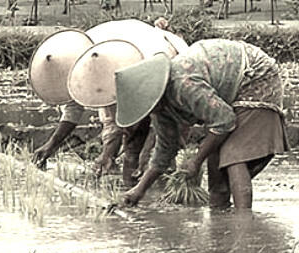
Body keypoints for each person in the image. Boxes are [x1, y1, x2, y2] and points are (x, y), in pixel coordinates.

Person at [111, 38, 289, 209]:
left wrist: (196, 161)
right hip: (230, 97)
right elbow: (165, 150)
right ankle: (220, 219)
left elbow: (224, 121)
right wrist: (139, 190)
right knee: (216, 167)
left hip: (255, 78)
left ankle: (243, 224)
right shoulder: (160, 109)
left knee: (233, 156)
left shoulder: (182, 84)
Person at [31, 19, 188, 187]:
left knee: (155, 152)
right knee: (133, 151)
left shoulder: (124, 62)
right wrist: (51, 145)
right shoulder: (81, 59)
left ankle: (157, 196)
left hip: (162, 65)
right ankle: (138, 193)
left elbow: (160, 115)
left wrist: (148, 152)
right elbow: (78, 109)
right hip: (129, 72)